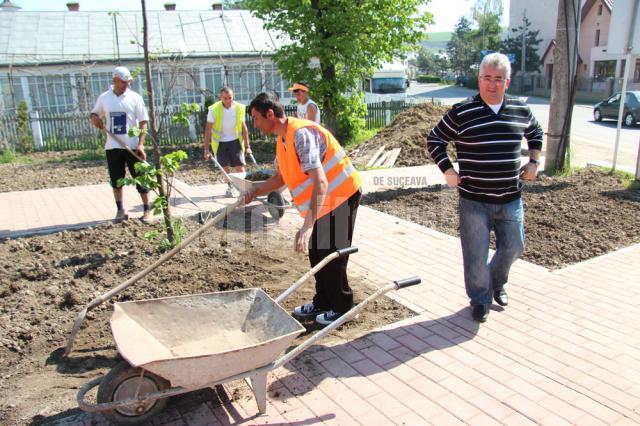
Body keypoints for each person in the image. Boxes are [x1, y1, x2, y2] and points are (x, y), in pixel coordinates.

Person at [426, 52, 543, 323]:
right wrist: (448, 170)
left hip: (510, 197)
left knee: (515, 246)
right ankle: (479, 299)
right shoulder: (461, 112)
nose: (492, 84)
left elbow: (535, 132)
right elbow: (435, 140)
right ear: (479, 80)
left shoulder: (520, 109)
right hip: (473, 200)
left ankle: (495, 283)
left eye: (498, 79)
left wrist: (534, 161)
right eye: (487, 78)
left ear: (507, 82)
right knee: (476, 255)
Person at [243, 92, 362, 326]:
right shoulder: (282, 139)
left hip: (341, 193)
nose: (255, 124)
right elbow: (280, 179)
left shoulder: (301, 135)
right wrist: (253, 191)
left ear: (270, 114)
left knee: (331, 253)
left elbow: (321, 181)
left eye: (256, 118)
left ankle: (343, 308)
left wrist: (307, 225)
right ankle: (323, 302)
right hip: (327, 198)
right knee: (318, 252)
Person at [90, 66, 151, 223]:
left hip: (132, 146)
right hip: (113, 146)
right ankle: (120, 210)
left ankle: (147, 210)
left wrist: (141, 144)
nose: (126, 85)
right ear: (115, 80)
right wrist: (95, 119)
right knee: (117, 180)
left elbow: (143, 122)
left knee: (141, 178)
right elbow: (95, 113)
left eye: (128, 82)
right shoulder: (104, 98)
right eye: (123, 82)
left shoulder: (135, 98)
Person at [203, 87, 251, 198]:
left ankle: (243, 189)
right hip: (220, 142)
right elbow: (208, 130)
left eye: (230, 98)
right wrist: (206, 149)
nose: (228, 101)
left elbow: (244, 129)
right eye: (225, 98)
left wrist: (248, 146)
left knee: (239, 165)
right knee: (223, 166)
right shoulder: (214, 109)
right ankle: (231, 186)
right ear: (221, 98)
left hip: (235, 140)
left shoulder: (239, 108)